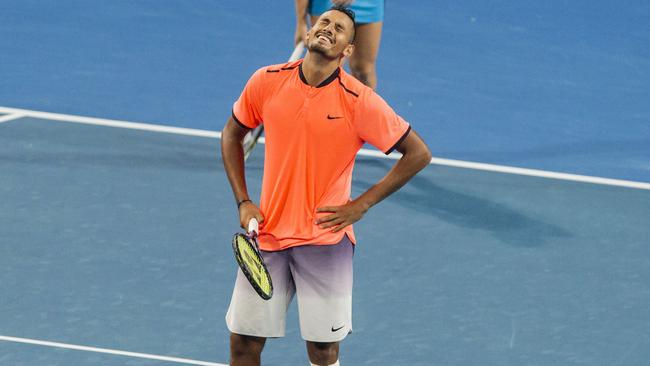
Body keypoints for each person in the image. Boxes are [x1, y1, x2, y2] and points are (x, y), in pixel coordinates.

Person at [221, 6, 431, 366]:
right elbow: (231, 134)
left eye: (339, 29)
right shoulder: (266, 80)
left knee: (322, 352)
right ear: (308, 33)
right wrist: (243, 200)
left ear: (347, 51)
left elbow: (418, 153)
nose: (328, 29)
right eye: (324, 23)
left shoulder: (359, 101)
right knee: (243, 343)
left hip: (324, 242)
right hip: (268, 237)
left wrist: (361, 204)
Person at [295, 0, 384, 89]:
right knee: (325, 68)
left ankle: (364, 102)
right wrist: (301, 22)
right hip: (325, 2)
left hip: (369, 3)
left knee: (364, 71)